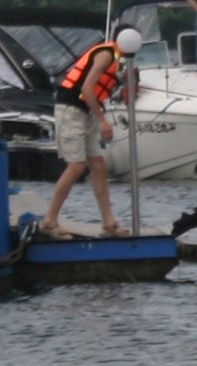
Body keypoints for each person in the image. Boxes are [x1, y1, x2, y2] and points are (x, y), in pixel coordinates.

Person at [39, 25, 133, 239]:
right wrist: (102, 122)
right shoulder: (106, 54)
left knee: (98, 165)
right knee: (76, 166)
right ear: (124, 40)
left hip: (85, 112)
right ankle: (49, 221)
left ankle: (109, 224)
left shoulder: (116, 60)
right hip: (71, 110)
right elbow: (86, 88)